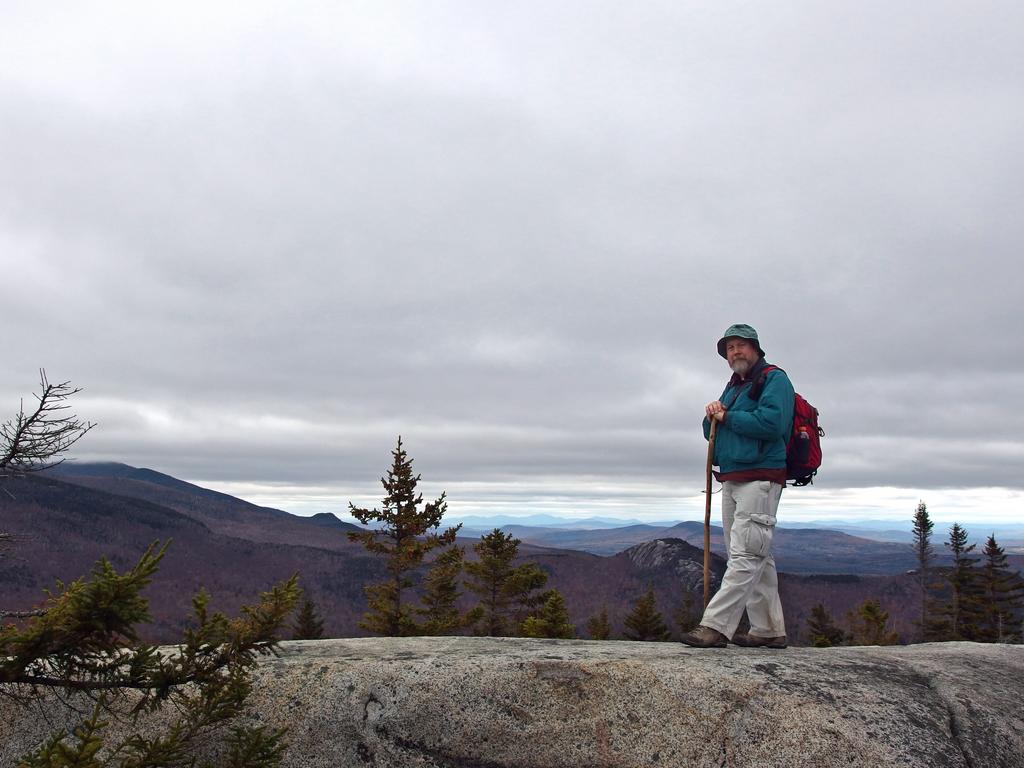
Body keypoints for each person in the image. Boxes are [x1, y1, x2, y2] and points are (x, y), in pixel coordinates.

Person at [680, 324, 793, 649]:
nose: (735, 353)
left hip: (761, 478)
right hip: (731, 477)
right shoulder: (735, 386)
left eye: (741, 346)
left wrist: (727, 417)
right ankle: (769, 629)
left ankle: (715, 626)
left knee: (746, 554)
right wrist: (713, 415)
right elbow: (710, 432)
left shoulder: (774, 380)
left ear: (755, 348)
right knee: (754, 554)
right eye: (730, 348)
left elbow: (772, 423)